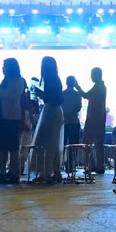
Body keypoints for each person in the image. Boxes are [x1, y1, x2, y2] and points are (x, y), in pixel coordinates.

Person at [31, 56, 66, 184]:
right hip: (54, 111)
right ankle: (53, 172)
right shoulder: (56, 79)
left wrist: (41, 95)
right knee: (53, 143)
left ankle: (46, 172)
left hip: (51, 111)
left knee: (46, 142)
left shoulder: (51, 80)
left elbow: (54, 98)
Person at [0, 57, 26, 184]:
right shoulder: (6, 81)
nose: (2, 69)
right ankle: (2, 172)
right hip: (3, 117)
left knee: (13, 148)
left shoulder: (19, 80)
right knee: (3, 147)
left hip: (13, 117)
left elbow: (13, 96)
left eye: (4, 66)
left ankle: (14, 173)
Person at [83, 67, 107, 175]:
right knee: (99, 144)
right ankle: (99, 166)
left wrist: (77, 87)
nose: (91, 77)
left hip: (93, 118)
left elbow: (86, 95)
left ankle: (90, 165)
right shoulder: (102, 87)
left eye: (92, 74)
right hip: (100, 118)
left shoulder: (98, 87)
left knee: (87, 143)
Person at [63, 76, 84, 147]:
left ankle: (62, 158)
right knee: (74, 146)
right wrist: (71, 114)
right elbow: (78, 107)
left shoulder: (62, 94)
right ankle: (72, 158)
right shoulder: (77, 94)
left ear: (66, 83)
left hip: (64, 122)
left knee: (62, 146)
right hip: (74, 121)